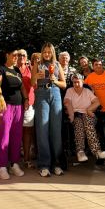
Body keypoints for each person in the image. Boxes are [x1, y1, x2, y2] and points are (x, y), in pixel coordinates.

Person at [31, 43, 66, 177]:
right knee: (42, 129)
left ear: (52, 53)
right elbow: (33, 83)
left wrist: (55, 80)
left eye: (49, 52)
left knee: (56, 130)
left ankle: (57, 164)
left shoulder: (57, 64)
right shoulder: (37, 64)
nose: (46, 54)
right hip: (41, 94)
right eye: (44, 52)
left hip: (55, 94)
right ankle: (44, 165)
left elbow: (64, 84)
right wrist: (37, 77)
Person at [0, 48, 28, 179]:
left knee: (16, 136)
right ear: (7, 54)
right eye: (14, 54)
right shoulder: (1, 69)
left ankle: (14, 164)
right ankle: (1, 167)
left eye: (18, 55)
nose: (16, 57)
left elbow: (22, 87)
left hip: (18, 106)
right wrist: (0, 97)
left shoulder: (17, 70)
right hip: (6, 106)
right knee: (4, 136)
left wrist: (25, 99)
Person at [63, 74, 105, 162]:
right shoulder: (69, 90)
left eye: (78, 82)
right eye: (74, 82)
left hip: (88, 114)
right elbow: (67, 102)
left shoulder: (87, 91)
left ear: (82, 81)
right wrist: (71, 115)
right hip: (76, 114)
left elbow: (97, 102)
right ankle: (80, 152)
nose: (76, 84)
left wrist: (89, 110)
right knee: (79, 125)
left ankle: (97, 151)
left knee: (88, 123)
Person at [19, 50, 36, 168]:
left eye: (24, 55)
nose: (21, 57)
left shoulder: (31, 69)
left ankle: (26, 158)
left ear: (27, 57)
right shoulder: (12, 69)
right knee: (14, 132)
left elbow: (35, 85)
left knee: (27, 131)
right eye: (19, 55)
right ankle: (13, 160)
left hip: (29, 103)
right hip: (14, 103)